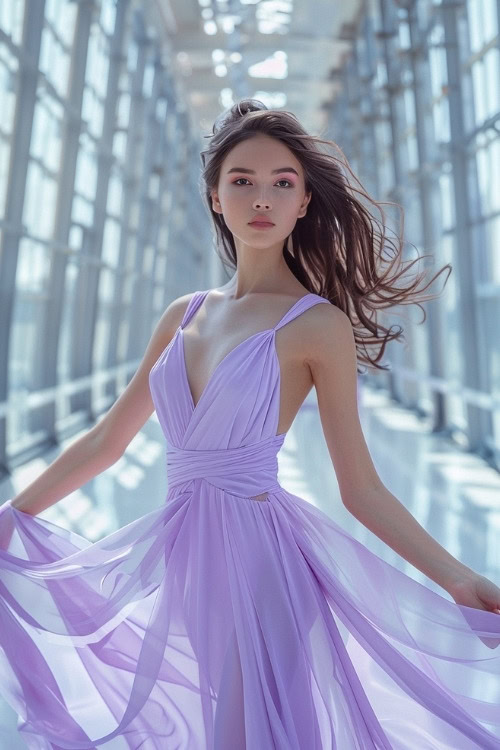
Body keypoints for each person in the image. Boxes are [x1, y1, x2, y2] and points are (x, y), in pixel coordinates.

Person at [0, 98, 499, 749]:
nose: (261, 197)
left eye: (282, 183)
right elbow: (106, 442)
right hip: (182, 564)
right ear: (214, 197)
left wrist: (459, 578)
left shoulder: (316, 325)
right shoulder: (183, 315)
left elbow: (361, 488)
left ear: (303, 204)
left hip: (265, 567)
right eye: (242, 181)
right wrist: (14, 513)